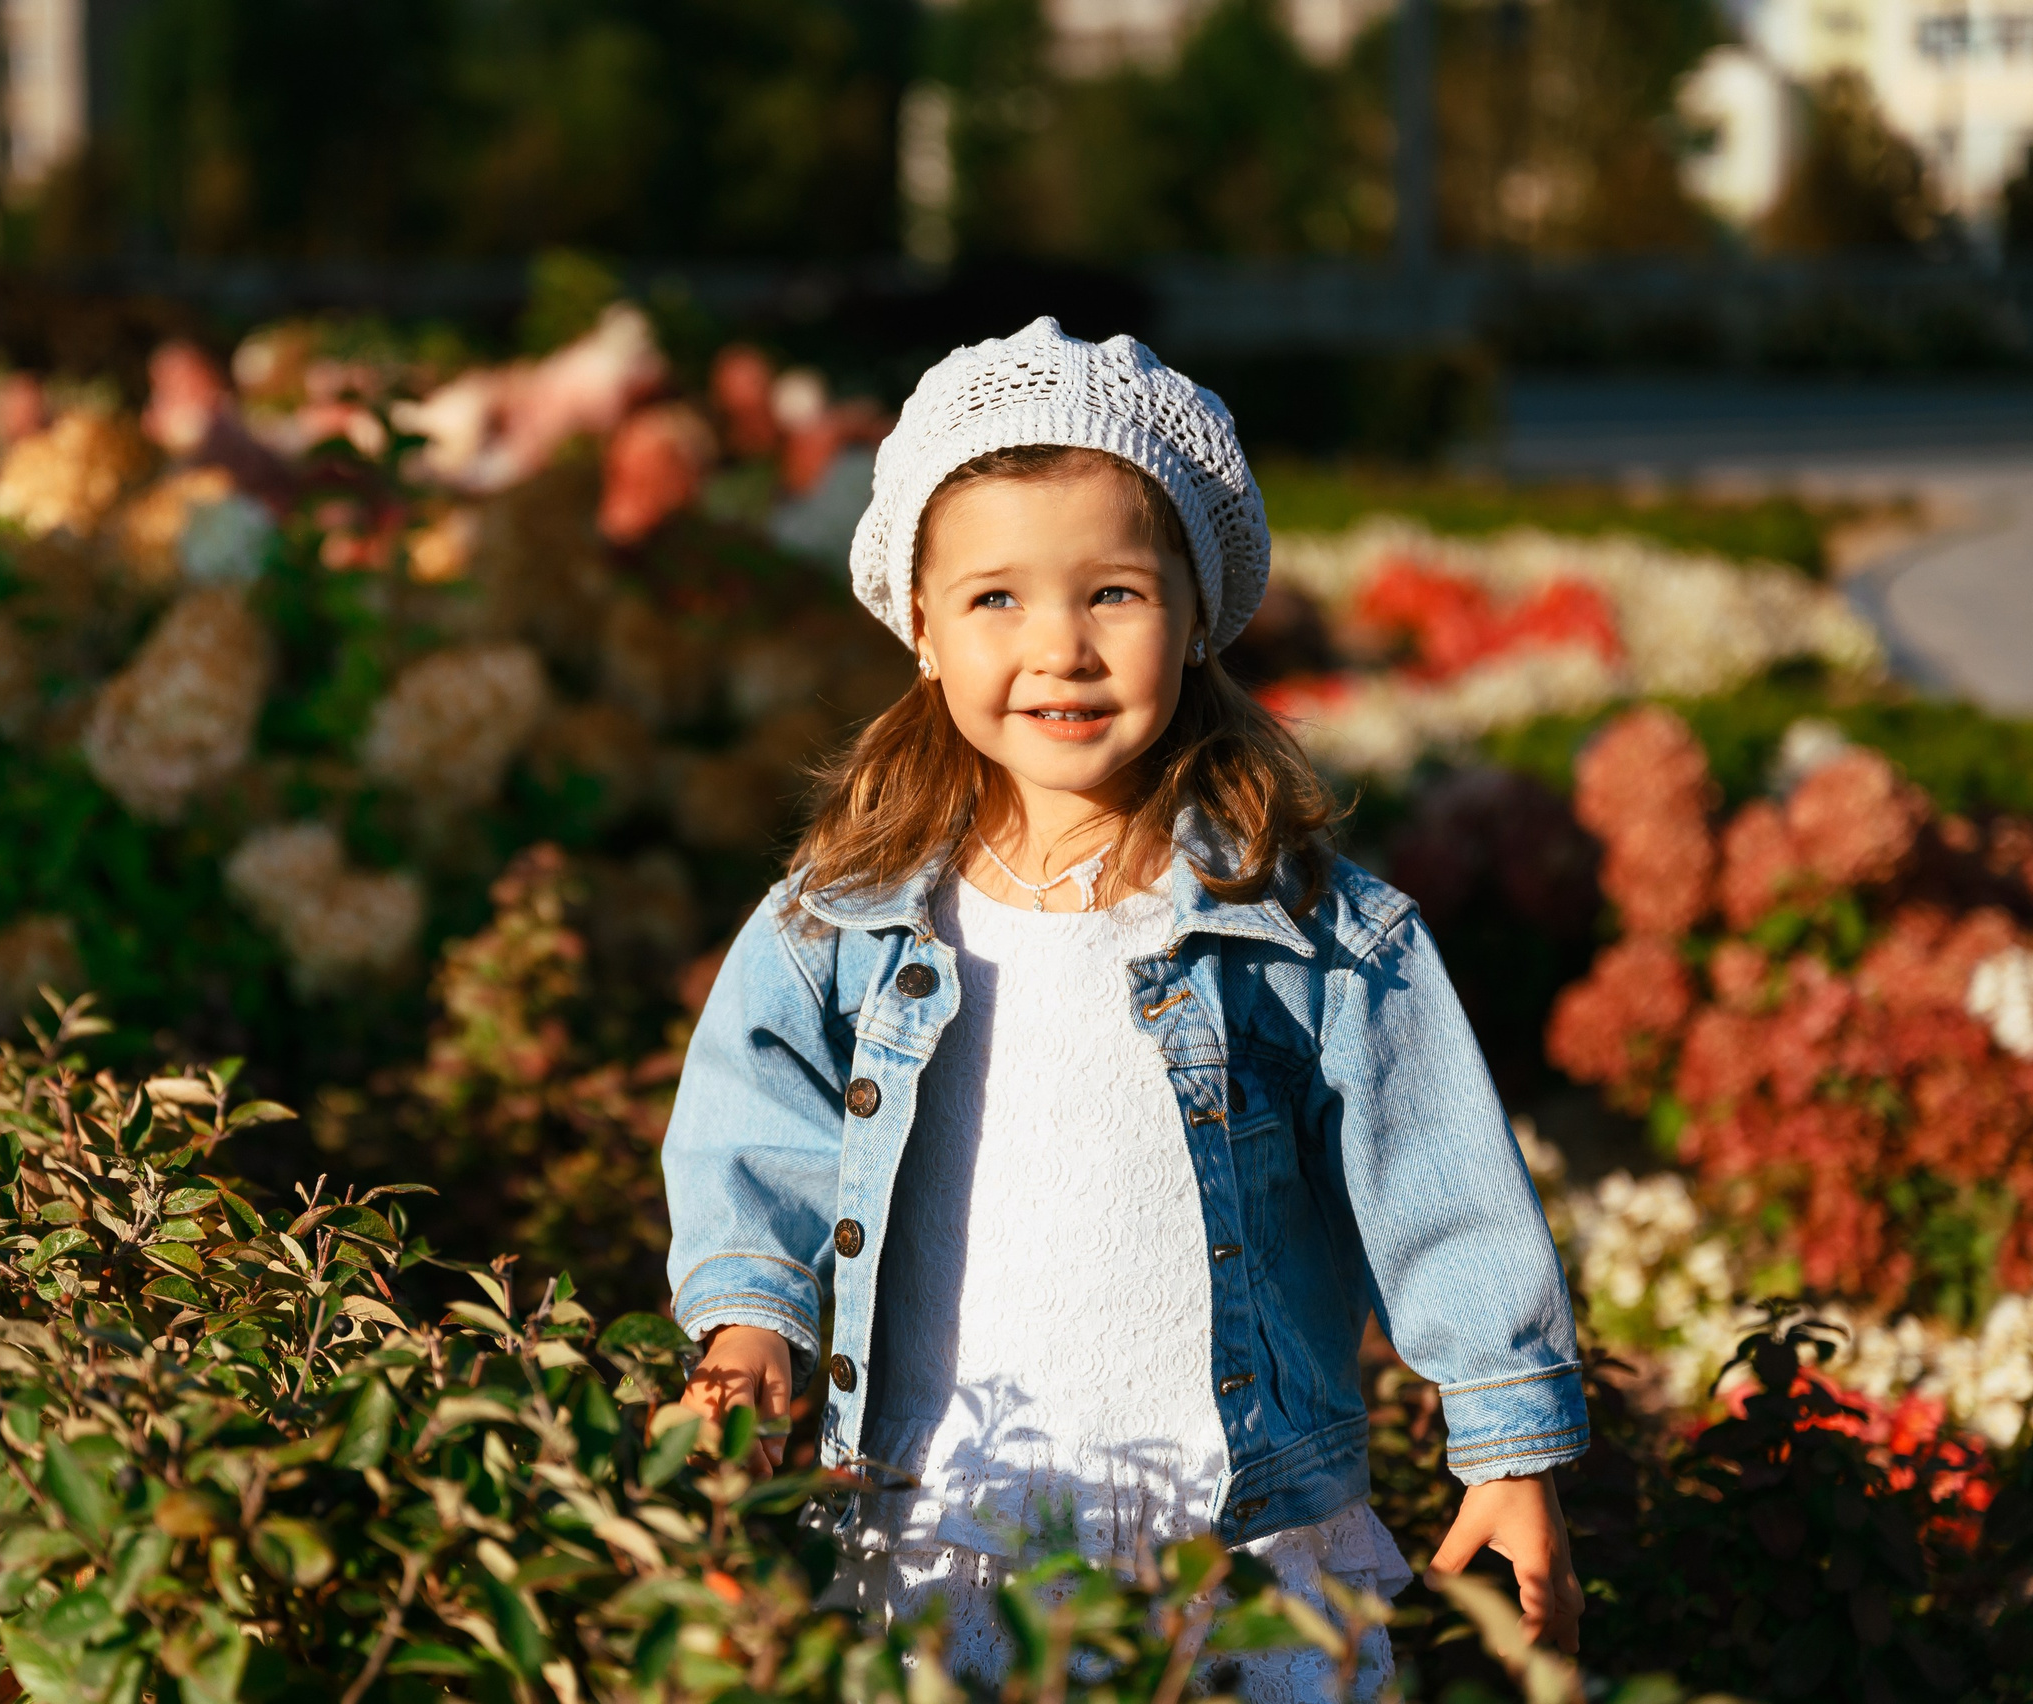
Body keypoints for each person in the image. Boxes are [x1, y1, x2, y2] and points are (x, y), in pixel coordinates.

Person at [658, 318, 1585, 1697]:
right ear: (918, 624)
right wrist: (749, 1331)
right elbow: (757, 1127)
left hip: (1228, 1527)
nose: (1062, 650)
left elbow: (1437, 1185)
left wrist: (1509, 1443)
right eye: (995, 601)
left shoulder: (1307, 927)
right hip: (949, 1515)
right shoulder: (842, 920)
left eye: (1113, 594)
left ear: (1198, 611)